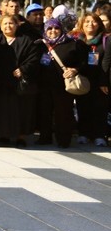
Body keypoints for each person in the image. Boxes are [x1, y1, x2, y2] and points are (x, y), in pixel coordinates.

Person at [0, 14, 41, 148]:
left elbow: (33, 58)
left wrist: (23, 69)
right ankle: (3, 135)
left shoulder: (26, 40)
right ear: (0, 26)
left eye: (11, 23)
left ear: (17, 25)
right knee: (2, 109)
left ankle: (21, 137)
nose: (8, 26)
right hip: (0, 82)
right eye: (5, 24)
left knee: (21, 110)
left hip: (19, 82)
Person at [36, 18, 87, 148]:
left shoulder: (73, 44)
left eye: (56, 28)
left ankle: (64, 139)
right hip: (44, 84)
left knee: (63, 113)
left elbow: (83, 62)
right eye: (50, 28)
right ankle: (45, 137)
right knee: (44, 111)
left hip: (63, 85)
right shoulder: (40, 44)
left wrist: (75, 70)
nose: (53, 31)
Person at [78, 13, 109, 146]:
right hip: (82, 79)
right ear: (82, 24)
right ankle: (83, 134)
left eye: (94, 21)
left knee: (100, 108)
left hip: (99, 80)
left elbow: (106, 62)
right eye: (87, 21)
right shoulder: (77, 40)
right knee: (82, 107)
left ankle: (99, 135)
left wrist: (103, 81)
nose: (90, 24)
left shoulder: (106, 40)